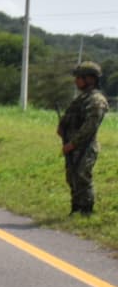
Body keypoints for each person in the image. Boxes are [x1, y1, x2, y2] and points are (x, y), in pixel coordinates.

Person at [58, 61, 110, 216]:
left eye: (79, 78)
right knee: (72, 177)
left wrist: (73, 144)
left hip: (85, 146)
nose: (76, 81)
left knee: (82, 177)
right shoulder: (81, 98)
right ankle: (76, 208)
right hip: (72, 145)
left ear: (90, 79)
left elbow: (90, 127)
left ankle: (86, 210)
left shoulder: (96, 100)